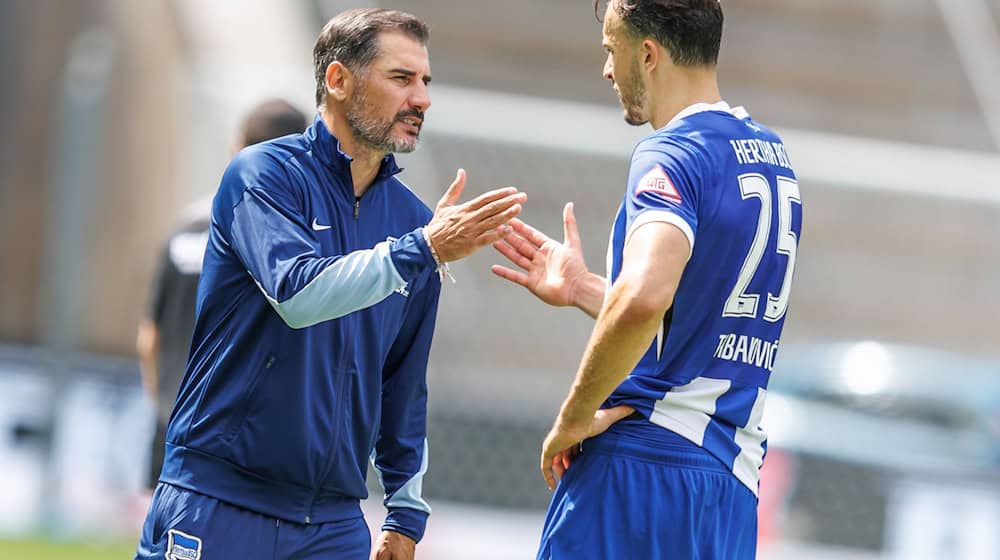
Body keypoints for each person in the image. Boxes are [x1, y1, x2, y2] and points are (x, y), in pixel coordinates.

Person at [135, 8, 526, 560]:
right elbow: (297, 294)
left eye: (426, 81)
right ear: (339, 80)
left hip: (333, 525)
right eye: (401, 78)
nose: (422, 99)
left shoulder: (417, 223)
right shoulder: (261, 175)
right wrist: (426, 249)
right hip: (218, 501)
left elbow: (404, 381)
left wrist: (406, 511)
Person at [492, 1, 803, 558]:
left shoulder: (674, 151)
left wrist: (572, 418)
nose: (607, 71)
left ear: (649, 53)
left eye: (611, 51)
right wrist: (588, 290)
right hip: (729, 484)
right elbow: (690, 315)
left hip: (643, 472)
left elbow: (643, 298)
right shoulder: (772, 157)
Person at [136, 98, 308, 493]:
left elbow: (150, 335)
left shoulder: (189, 224)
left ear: (236, 148)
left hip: (176, 418)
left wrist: (166, 405)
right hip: (243, 436)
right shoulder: (289, 241)